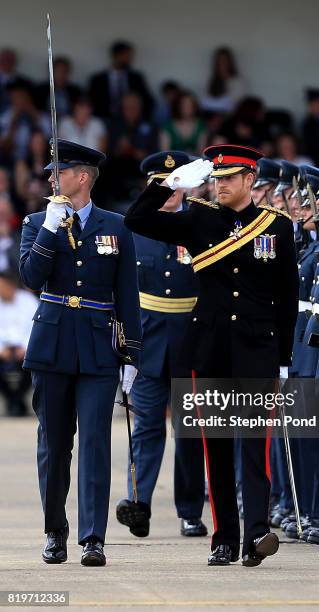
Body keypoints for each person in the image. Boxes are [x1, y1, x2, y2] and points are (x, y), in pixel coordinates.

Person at [125, 144, 299, 567]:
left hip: (258, 348)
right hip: (210, 346)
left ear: (249, 180)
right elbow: (137, 220)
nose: (219, 185)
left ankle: (257, 533)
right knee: (216, 447)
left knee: (255, 447)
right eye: (215, 178)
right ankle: (224, 536)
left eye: (228, 178)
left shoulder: (276, 227)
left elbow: (287, 296)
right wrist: (168, 183)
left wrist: (284, 356)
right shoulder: (199, 218)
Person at [19, 138, 141, 567]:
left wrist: (131, 355)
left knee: (94, 443)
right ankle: (55, 531)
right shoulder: (38, 221)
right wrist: (51, 230)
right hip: (52, 343)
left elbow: (127, 294)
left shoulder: (116, 225)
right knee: (54, 445)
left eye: (60, 171)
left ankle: (93, 537)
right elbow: (33, 277)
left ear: (82, 177)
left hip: (97, 346)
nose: (51, 177)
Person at [116, 150, 207, 539]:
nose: (170, 192)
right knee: (147, 428)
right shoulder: (135, 227)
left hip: (191, 341)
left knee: (188, 432)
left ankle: (190, 510)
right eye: (161, 183)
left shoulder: (200, 221)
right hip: (148, 343)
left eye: (175, 183)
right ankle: (138, 504)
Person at [0, 270, 37, 416]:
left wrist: (25, 347)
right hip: (3, 350)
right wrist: (2, 349)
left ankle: (17, 400)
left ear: (11, 285)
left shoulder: (28, 301)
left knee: (33, 363)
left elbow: (35, 328)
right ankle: (13, 400)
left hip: (24, 348)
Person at [89, 41, 154, 120]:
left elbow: (148, 101)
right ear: (116, 55)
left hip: (130, 122)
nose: (129, 59)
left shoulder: (136, 78)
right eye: (126, 56)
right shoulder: (98, 80)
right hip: (105, 120)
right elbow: (91, 102)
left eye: (130, 56)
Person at [201, 47, 245, 115]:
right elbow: (205, 102)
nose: (222, 63)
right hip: (212, 118)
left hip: (230, 117)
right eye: (220, 61)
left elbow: (240, 103)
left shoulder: (238, 81)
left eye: (225, 60)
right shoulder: (210, 81)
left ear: (230, 62)